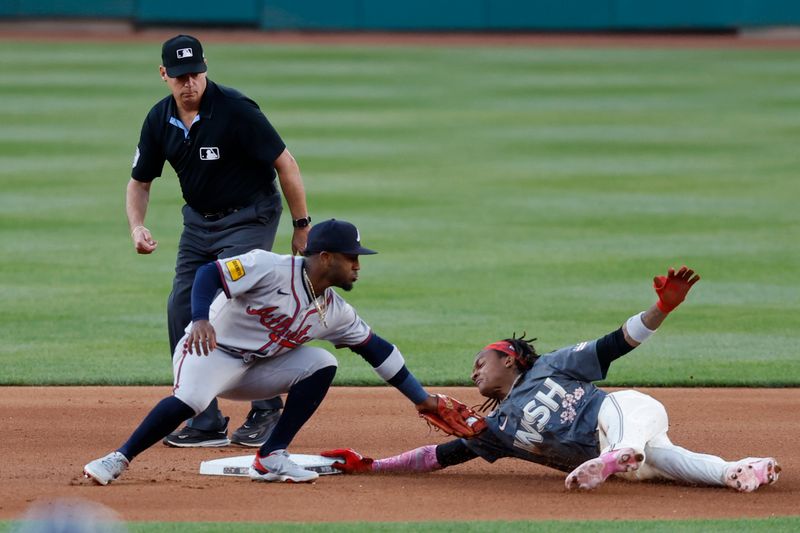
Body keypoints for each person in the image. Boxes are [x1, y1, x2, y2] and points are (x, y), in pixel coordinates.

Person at [322, 266, 782, 493]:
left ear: (510, 358)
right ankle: (738, 470)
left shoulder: (553, 366)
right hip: (617, 458)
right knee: (665, 462)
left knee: (630, 427)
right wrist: (375, 465)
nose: (474, 371)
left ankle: (620, 452)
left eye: (482, 360)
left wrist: (660, 309)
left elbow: (617, 342)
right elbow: (435, 457)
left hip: (624, 414)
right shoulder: (494, 432)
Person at [84, 219, 448, 485]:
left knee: (322, 362)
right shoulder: (268, 266)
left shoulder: (335, 310)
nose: (358, 266)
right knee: (191, 400)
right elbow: (210, 273)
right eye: (351, 257)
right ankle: (118, 458)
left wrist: (422, 400)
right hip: (210, 351)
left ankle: (272, 455)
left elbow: (377, 350)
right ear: (325, 257)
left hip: (258, 370)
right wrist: (198, 319)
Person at [127, 34, 311, 448]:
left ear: (205, 68)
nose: (188, 83)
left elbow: (286, 162)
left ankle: (266, 409)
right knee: (181, 305)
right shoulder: (159, 120)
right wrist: (137, 226)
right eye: (179, 76)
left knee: (230, 302)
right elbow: (139, 182)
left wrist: (302, 224)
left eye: (195, 73)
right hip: (198, 223)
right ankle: (204, 416)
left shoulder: (236, 110)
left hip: (251, 215)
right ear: (164, 76)